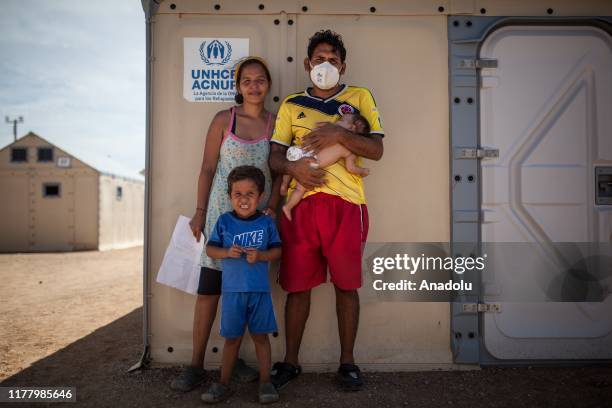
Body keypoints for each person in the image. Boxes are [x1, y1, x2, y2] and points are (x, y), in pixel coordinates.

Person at [268, 29, 385, 391]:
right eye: (319, 59)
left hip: (347, 206)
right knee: (297, 287)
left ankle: (348, 362)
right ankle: (290, 362)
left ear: (343, 65)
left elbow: (376, 150)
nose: (326, 65)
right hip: (301, 209)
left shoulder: (359, 96)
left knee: (347, 286)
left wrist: (337, 134)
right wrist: (293, 169)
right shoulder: (290, 104)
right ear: (307, 64)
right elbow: (274, 156)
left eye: (333, 60)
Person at [171, 56, 280, 392]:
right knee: (208, 292)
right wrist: (201, 211)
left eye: (260, 79)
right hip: (221, 217)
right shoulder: (223, 119)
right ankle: (196, 365)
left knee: (246, 290)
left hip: (255, 223)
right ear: (237, 86)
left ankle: (236, 362)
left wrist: (272, 207)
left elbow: (280, 174)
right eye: (246, 80)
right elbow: (206, 168)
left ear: (268, 84)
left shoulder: (276, 123)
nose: (253, 85)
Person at [201, 165, 281, 404]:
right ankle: (223, 383)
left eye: (250, 194)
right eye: (238, 194)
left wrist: (262, 256)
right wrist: (226, 252)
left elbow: (278, 250)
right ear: (230, 196)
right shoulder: (224, 221)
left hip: (259, 293)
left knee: (261, 338)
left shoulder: (266, 222)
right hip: (232, 293)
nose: (244, 199)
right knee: (232, 339)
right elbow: (209, 249)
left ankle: (266, 383)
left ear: (260, 196)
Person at [280, 113, 371, 221]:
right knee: (299, 188)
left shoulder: (350, 148)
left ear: (352, 128)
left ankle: (284, 186)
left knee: (292, 166)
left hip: (302, 153)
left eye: (341, 120)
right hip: (312, 162)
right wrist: (362, 171)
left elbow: (351, 168)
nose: (337, 121)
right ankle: (288, 206)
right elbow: (351, 168)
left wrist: (362, 170)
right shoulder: (345, 147)